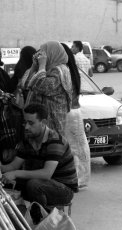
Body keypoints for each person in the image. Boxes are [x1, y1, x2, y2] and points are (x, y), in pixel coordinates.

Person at [0, 103, 78, 208]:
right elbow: (13, 166)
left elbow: (46, 174)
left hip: (64, 189)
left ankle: (41, 218)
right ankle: (20, 219)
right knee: (6, 183)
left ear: (43, 122)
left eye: (31, 123)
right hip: (41, 183)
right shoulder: (27, 140)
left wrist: (15, 173)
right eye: (25, 123)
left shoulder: (55, 141)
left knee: (33, 184)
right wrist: (2, 169)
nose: (26, 127)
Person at [20, 41, 72, 136]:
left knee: (51, 148)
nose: (42, 56)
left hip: (52, 123)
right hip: (39, 123)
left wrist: (42, 65)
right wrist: (34, 66)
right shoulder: (45, 70)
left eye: (44, 53)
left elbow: (41, 86)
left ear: (52, 53)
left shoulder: (60, 71)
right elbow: (26, 85)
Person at [61, 43, 91, 188]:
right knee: (79, 145)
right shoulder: (73, 70)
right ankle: (81, 179)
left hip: (69, 113)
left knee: (73, 147)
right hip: (76, 112)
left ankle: (77, 179)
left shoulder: (64, 71)